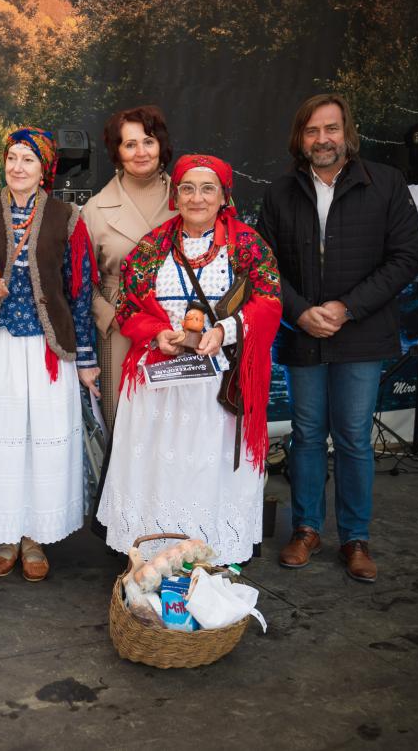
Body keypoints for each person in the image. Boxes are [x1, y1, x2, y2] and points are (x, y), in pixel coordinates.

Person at [257, 93, 418, 583]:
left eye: (331, 128)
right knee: (307, 434)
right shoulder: (280, 192)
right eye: (312, 130)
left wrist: (347, 308)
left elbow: (406, 256)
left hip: (362, 331)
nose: (322, 139)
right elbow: (262, 264)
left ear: (347, 132)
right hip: (303, 333)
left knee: (352, 437)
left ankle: (355, 538)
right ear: (300, 138)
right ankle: (306, 529)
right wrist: (299, 313)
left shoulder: (385, 183)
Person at [97, 155, 282, 565]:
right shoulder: (152, 247)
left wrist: (223, 332)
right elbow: (128, 306)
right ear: (175, 196)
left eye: (208, 188)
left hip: (216, 388)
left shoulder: (248, 246)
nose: (197, 198)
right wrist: (156, 333)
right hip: (159, 384)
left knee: (206, 472)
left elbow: (269, 302)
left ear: (224, 196)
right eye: (188, 188)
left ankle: (210, 558)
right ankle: (154, 558)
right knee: (158, 473)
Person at [0, 128, 100, 582]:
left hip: (46, 351)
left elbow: (80, 292)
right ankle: (5, 534)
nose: (18, 167)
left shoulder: (67, 218)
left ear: (45, 169)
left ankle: (35, 536)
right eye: (12, 157)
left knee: (44, 443)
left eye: (28, 160)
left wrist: (86, 359)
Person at [82, 105, 178, 428]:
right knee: (124, 423)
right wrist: (109, 318)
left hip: (177, 325)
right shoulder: (95, 209)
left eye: (148, 141)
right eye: (130, 144)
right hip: (120, 324)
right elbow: (81, 278)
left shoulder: (188, 198)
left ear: (160, 145)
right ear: (117, 152)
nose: (141, 152)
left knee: (173, 425)